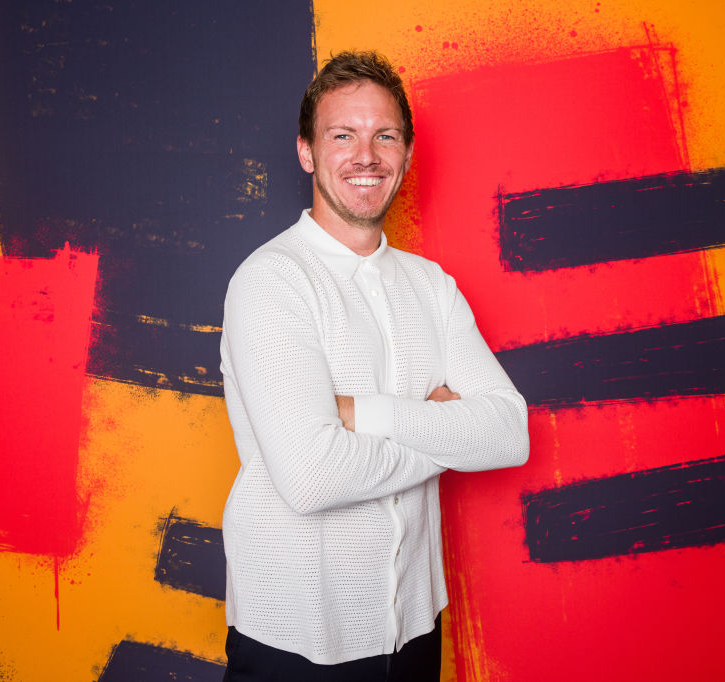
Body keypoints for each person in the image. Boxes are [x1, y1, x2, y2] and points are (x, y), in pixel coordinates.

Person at [219, 50, 529, 681]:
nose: (366, 156)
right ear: (307, 151)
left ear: (406, 155)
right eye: (343, 136)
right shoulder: (270, 282)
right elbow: (311, 476)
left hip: (415, 626)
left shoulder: (432, 286)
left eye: (384, 136)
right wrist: (445, 433)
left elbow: (509, 433)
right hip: (296, 635)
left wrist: (362, 414)